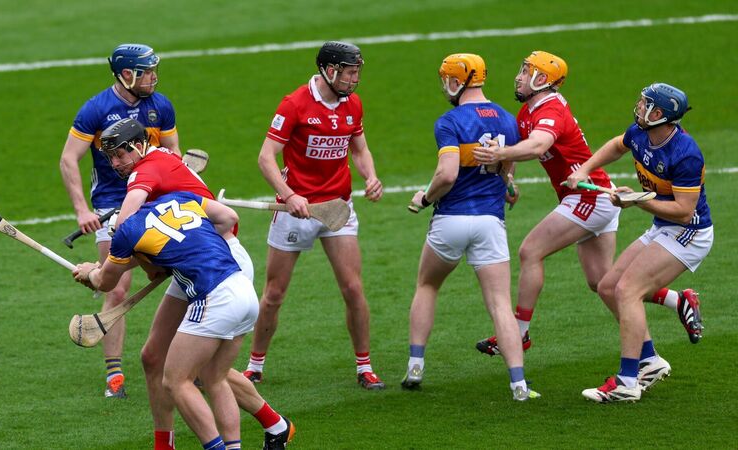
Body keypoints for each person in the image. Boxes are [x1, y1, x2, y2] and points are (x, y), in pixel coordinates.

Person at [99, 118, 294, 449]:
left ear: (138, 146)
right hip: (198, 258)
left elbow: (127, 222)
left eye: (119, 155)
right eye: (110, 158)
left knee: (203, 374)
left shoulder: (145, 170)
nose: (115, 164)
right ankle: (269, 427)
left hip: (217, 259)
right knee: (154, 357)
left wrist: (105, 261)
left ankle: (265, 427)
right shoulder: (161, 159)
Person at [243, 41, 385, 390]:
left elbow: (359, 149)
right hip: (295, 211)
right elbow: (266, 157)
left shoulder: (353, 104)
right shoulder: (294, 104)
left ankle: (365, 366)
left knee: (353, 288)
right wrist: (290, 194)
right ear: (329, 70)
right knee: (274, 294)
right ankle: (255, 365)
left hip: (337, 209)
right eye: (349, 72)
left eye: (356, 72)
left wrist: (371, 176)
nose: (354, 79)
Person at [72, 190, 256, 450]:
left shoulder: (126, 232)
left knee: (176, 381)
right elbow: (228, 218)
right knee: (215, 379)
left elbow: (105, 283)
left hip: (213, 298)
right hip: (244, 290)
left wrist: (90, 272)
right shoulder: (179, 198)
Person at [401, 53, 539, 401]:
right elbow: (508, 174)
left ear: (455, 82)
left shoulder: (450, 121)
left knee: (427, 286)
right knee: (500, 305)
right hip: (490, 223)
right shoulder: (508, 120)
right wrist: (509, 188)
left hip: (451, 221)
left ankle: (415, 366)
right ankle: (519, 384)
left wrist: (424, 198)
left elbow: (447, 175)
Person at [471, 50, 623, 359]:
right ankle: (674, 303)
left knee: (530, 251)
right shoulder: (528, 111)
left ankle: (518, 333)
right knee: (602, 283)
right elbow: (519, 147)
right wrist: (508, 179)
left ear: (541, 79)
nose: (518, 77)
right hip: (591, 197)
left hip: (589, 196)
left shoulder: (551, 109)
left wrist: (499, 155)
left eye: (525, 72)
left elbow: (538, 145)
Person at [567, 83, 711, 403]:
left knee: (627, 290)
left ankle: (627, 382)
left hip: (689, 233)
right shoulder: (641, 133)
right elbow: (616, 145)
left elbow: (685, 211)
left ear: (660, 114)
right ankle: (650, 361)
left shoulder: (685, 154)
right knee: (608, 287)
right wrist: (586, 169)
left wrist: (637, 201)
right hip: (664, 227)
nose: (639, 106)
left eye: (646, 104)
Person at [59, 43, 179, 398]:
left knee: (183, 276)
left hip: (154, 197)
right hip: (112, 203)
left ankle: (190, 362)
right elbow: (68, 159)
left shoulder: (161, 106)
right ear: (126, 75)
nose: (154, 77)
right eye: (147, 72)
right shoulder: (96, 109)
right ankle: (115, 375)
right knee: (116, 286)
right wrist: (82, 210)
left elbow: (173, 152)